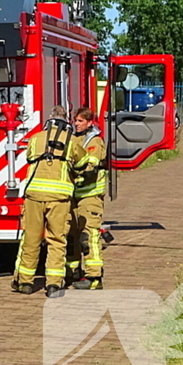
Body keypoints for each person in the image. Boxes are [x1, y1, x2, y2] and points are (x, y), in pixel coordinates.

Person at [12, 106, 87, 299]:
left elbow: (29, 157)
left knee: (31, 239)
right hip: (60, 198)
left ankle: (25, 282)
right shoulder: (72, 140)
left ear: (50, 119)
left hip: (34, 195)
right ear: (66, 121)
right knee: (57, 240)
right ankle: (53, 284)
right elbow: (82, 162)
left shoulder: (36, 138)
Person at [68, 107, 106, 290]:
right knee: (72, 236)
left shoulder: (95, 141)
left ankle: (94, 277)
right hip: (74, 196)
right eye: (75, 120)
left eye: (81, 121)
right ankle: (73, 271)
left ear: (90, 123)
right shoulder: (75, 139)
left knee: (88, 236)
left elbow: (90, 167)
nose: (76, 124)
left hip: (90, 196)